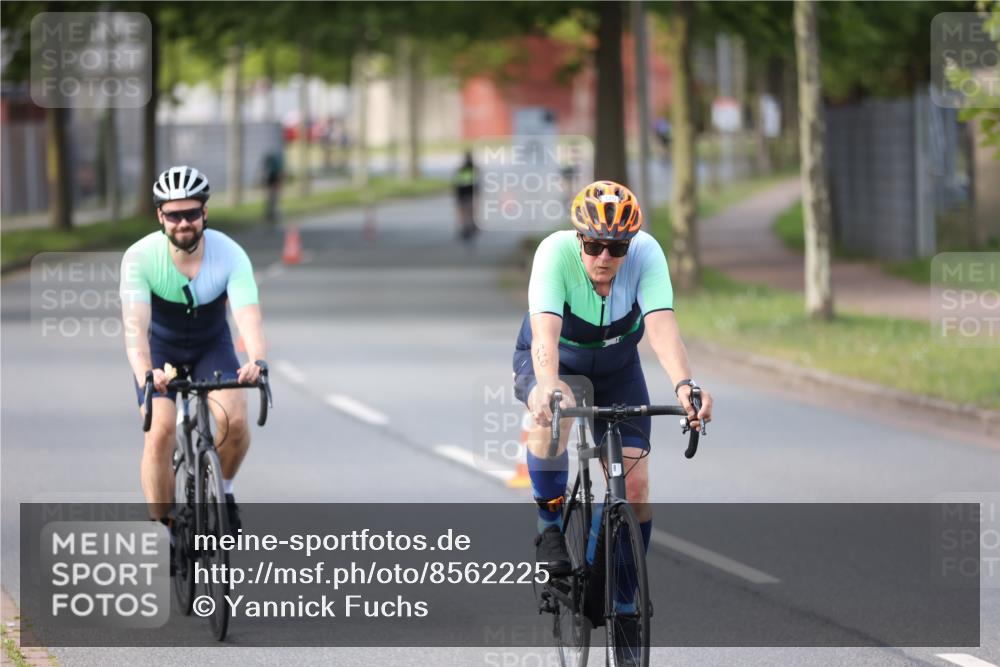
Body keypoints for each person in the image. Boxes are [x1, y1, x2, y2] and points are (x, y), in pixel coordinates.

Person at [512, 179, 713, 653]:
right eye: (595, 244)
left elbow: (662, 327)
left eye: (617, 246)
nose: (605, 256)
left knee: (636, 488)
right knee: (555, 407)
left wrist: (685, 386)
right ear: (579, 238)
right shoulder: (554, 254)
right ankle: (549, 523)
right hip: (556, 357)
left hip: (618, 366)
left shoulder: (646, 254)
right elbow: (544, 334)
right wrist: (547, 384)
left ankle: (623, 609)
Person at [120, 165, 267, 533]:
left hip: (210, 346)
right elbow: (135, 327)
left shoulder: (230, 254)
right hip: (160, 351)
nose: (183, 223)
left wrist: (257, 361)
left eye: (191, 213)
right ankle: (170, 523)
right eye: (173, 215)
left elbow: (249, 318)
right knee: (160, 432)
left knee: (234, 420)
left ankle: (225, 491)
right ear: (160, 216)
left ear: (204, 212)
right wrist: (146, 373)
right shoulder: (140, 257)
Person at [454, 150, 478, 242]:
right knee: (470, 210)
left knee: (463, 211)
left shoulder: (461, 169)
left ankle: (465, 226)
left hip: (461, 192)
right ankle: (470, 225)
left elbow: (457, 183)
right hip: (469, 192)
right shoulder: (474, 169)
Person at [263, 150, 284, 225]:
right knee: (272, 200)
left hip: (273, 184)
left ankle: (273, 215)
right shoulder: (273, 168)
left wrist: (277, 185)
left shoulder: (274, 168)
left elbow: (277, 178)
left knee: (273, 200)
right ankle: (271, 215)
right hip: (272, 184)